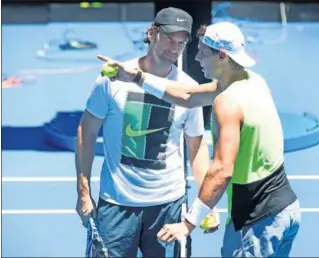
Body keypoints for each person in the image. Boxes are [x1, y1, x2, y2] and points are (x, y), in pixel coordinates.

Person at [97, 21, 301, 257]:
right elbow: (186, 95)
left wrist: (188, 223)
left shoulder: (228, 102)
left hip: (256, 220)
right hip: (286, 209)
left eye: (203, 53)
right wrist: (137, 77)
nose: (197, 59)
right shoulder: (253, 82)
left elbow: (222, 170)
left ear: (222, 56)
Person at [75, 7, 219, 258]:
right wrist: (83, 193)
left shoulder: (190, 90)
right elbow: (86, 134)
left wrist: (205, 204)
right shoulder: (112, 79)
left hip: (168, 207)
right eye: (169, 39)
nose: (174, 48)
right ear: (151, 33)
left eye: (181, 43)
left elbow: (196, 150)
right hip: (116, 206)